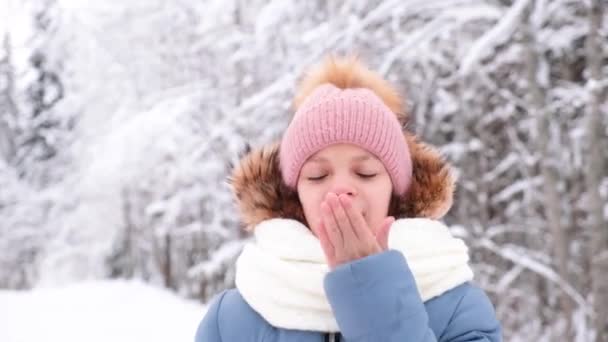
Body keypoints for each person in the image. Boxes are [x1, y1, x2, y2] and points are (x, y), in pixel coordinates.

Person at [194, 56, 502, 341]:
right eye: (317, 176)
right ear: (293, 196)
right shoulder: (234, 317)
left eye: (366, 173)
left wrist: (374, 291)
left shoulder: (458, 308)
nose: (340, 188)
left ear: (397, 191)